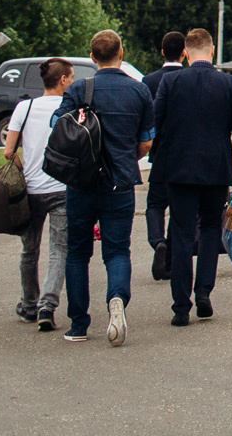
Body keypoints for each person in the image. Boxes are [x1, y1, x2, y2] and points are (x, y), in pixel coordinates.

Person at [57, 29, 155, 347]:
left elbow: (58, 128)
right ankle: (116, 300)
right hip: (121, 183)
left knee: (77, 253)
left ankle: (78, 324)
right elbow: (146, 141)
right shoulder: (138, 91)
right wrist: (129, 156)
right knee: (116, 251)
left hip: (81, 184)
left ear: (92, 57)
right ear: (121, 53)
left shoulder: (78, 89)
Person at [147, 27, 232, 326]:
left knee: (179, 233)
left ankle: (180, 306)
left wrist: (162, 155)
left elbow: (157, 122)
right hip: (216, 168)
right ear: (212, 50)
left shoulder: (170, 81)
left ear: (186, 53)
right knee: (208, 228)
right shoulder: (229, 84)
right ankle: (203, 291)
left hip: (177, 169)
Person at [2, 57, 74, 330]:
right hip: (61, 188)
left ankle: (29, 304)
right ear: (63, 80)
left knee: (28, 250)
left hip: (30, 191)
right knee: (59, 250)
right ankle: (48, 305)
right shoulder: (71, 107)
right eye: (70, 77)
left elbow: (9, 151)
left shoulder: (24, 107)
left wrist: (24, 167)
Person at [143, 31, 185, 280]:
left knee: (155, 204)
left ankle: (157, 240)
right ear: (184, 53)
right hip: (184, 154)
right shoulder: (188, 79)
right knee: (179, 207)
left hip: (159, 153)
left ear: (161, 52)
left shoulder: (148, 81)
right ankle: (167, 260)